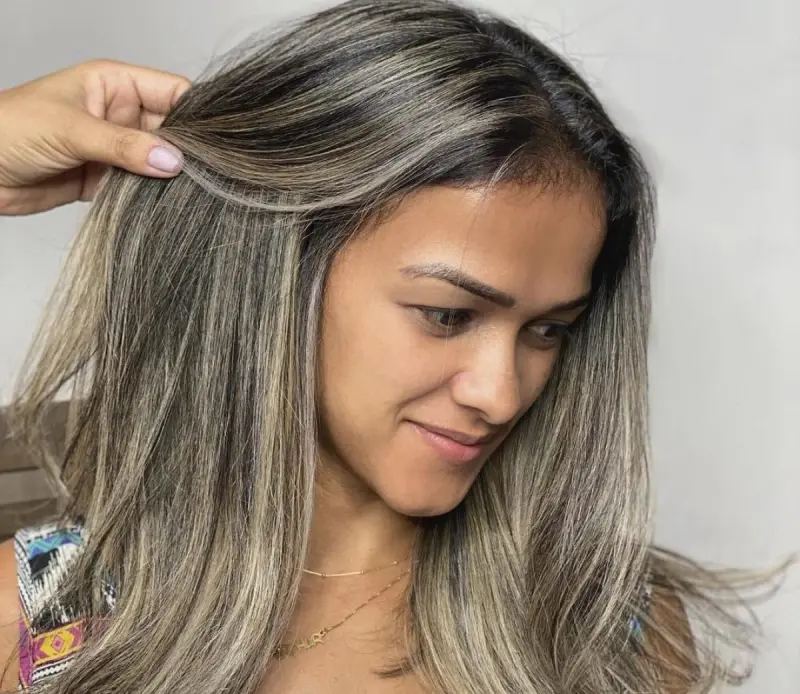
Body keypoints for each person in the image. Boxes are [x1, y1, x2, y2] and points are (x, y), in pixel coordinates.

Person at [0, 1, 775, 693]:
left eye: (548, 330)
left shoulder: (613, 633)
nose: (501, 394)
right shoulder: (33, 624)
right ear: (274, 276)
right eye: (447, 315)